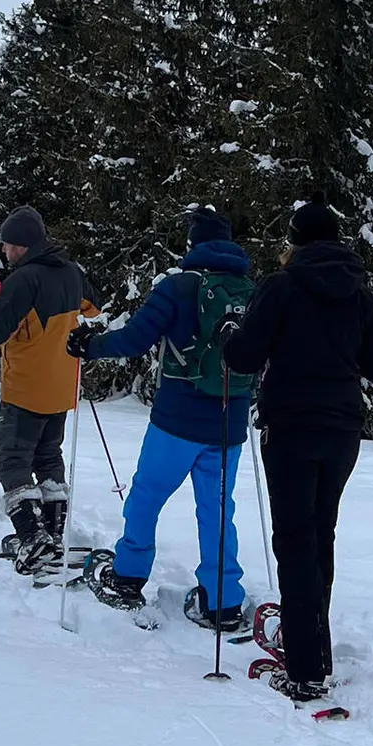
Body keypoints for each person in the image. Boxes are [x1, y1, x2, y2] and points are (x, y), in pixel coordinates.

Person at [217, 200, 373, 702]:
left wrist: (228, 333)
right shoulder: (358, 290)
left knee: (295, 541)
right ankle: (312, 646)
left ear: (295, 242)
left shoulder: (282, 285)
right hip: (341, 430)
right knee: (321, 535)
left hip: (291, 425)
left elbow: (246, 355)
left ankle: (304, 666)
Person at [68, 207, 253, 633]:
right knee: (218, 509)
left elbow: (135, 339)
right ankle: (222, 603)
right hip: (229, 422)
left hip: (176, 420)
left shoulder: (177, 287)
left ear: (193, 245)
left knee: (147, 495)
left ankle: (129, 577)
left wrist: (89, 345)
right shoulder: (250, 290)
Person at [0, 206, 97, 574]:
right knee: (48, 456)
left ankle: (33, 538)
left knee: (11, 460)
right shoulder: (70, 272)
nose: (4, 252)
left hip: (26, 387)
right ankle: (50, 534)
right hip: (62, 385)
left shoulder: (24, 279)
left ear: (21, 245)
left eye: (7, 245)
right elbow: (94, 307)